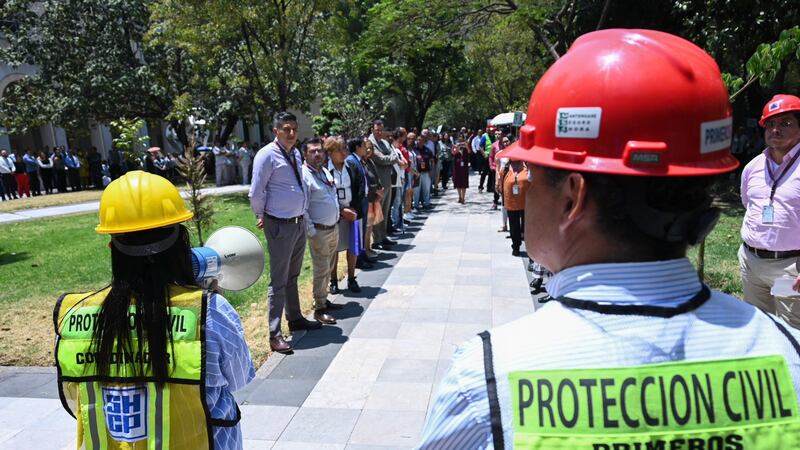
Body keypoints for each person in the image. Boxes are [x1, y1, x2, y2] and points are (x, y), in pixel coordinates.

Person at [418, 29, 800, 449]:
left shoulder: (488, 381)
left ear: (572, 196)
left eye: (533, 174)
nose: (523, 186)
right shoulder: (787, 354)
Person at [54, 170, 255, 449]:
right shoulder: (210, 313)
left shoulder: (75, 316)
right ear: (181, 243)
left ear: (112, 245)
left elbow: (76, 400)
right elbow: (239, 377)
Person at [249, 111, 320, 354]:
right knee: (278, 280)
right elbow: (256, 191)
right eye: (286, 129)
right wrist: (261, 216)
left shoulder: (295, 153)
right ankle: (274, 333)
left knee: (293, 275)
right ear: (276, 131)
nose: (292, 133)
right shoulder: (266, 155)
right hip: (279, 224)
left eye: (294, 129)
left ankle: (296, 318)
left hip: (297, 222)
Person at [739, 94, 800, 327]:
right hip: (751, 262)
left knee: (793, 331)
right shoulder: (753, 166)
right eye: (771, 124)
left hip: (790, 268)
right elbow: (749, 204)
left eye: (785, 123)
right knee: (757, 326)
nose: (776, 130)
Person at [302, 137, 344, 326]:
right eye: (312, 151)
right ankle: (319, 309)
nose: (317, 154)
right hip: (318, 231)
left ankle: (324, 298)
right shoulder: (304, 175)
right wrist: (311, 231)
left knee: (329, 267)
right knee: (321, 269)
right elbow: (302, 207)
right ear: (305, 154)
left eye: (319, 150)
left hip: (333, 227)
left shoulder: (324, 171)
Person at [329, 136, 362, 293]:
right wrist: (340, 211)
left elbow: (360, 187)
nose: (343, 153)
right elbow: (325, 194)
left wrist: (353, 209)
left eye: (344, 149)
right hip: (334, 215)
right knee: (333, 249)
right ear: (330, 152)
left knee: (352, 246)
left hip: (352, 212)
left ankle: (351, 279)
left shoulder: (351, 166)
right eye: (339, 149)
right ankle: (333, 281)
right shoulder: (325, 169)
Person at [368, 119, 399, 250]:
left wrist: (391, 157)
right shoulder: (370, 143)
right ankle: (376, 239)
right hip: (378, 182)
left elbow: (393, 154)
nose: (380, 132)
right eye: (377, 130)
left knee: (385, 211)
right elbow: (381, 159)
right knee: (377, 212)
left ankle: (383, 236)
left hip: (388, 181)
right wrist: (391, 158)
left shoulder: (385, 142)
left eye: (381, 130)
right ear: (372, 130)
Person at [345, 137, 372, 270]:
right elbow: (355, 184)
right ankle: (358, 260)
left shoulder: (359, 160)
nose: (365, 148)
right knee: (358, 231)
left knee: (362, 229)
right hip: (357, 202)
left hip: (363, 200)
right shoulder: (351, 161)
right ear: (357, 147)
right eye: (363, 145)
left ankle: (362, 255)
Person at [498, 159, 529, 256]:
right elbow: (500, 181)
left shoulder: (527, 167)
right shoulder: (506, 168)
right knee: (514, 225)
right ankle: (515, 246)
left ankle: (531, 251)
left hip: (526, 202)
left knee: (527, 227)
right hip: (511, 201)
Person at [390, 128, 409, 235]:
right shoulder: (392, 150)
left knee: (398, 202)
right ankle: (394, 224)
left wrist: (403, 163)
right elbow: (402, 164)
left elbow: (405, 164)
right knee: (396, 203)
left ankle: (397, 223)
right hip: (395, 180)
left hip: (400, 179)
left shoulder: (398, 150)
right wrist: (402, 163)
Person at [412, 134, 433, 210]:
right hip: (416, 173)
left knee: (426, 189)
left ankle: (426, 203)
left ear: (424, 141)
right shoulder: (413, 150)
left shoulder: (428, 150)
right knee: (416, 190)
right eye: (418, 140)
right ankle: (416, 205)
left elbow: (432, 161)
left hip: (426, 173)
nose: (419, 141)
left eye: (421, 140)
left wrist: (431, 170)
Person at [451, 136, 470, 204]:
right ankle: (459, 196)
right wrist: (457, 147)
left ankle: (463, 198)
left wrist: (466, 145)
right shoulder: (455, 145)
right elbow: (453, 153)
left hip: (464, 166)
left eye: (462, 138)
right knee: (458, 181)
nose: (460, 139)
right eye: (459, 138)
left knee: (464, 182)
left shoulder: (465, 145)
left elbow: (469, 152)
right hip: (457, 166)